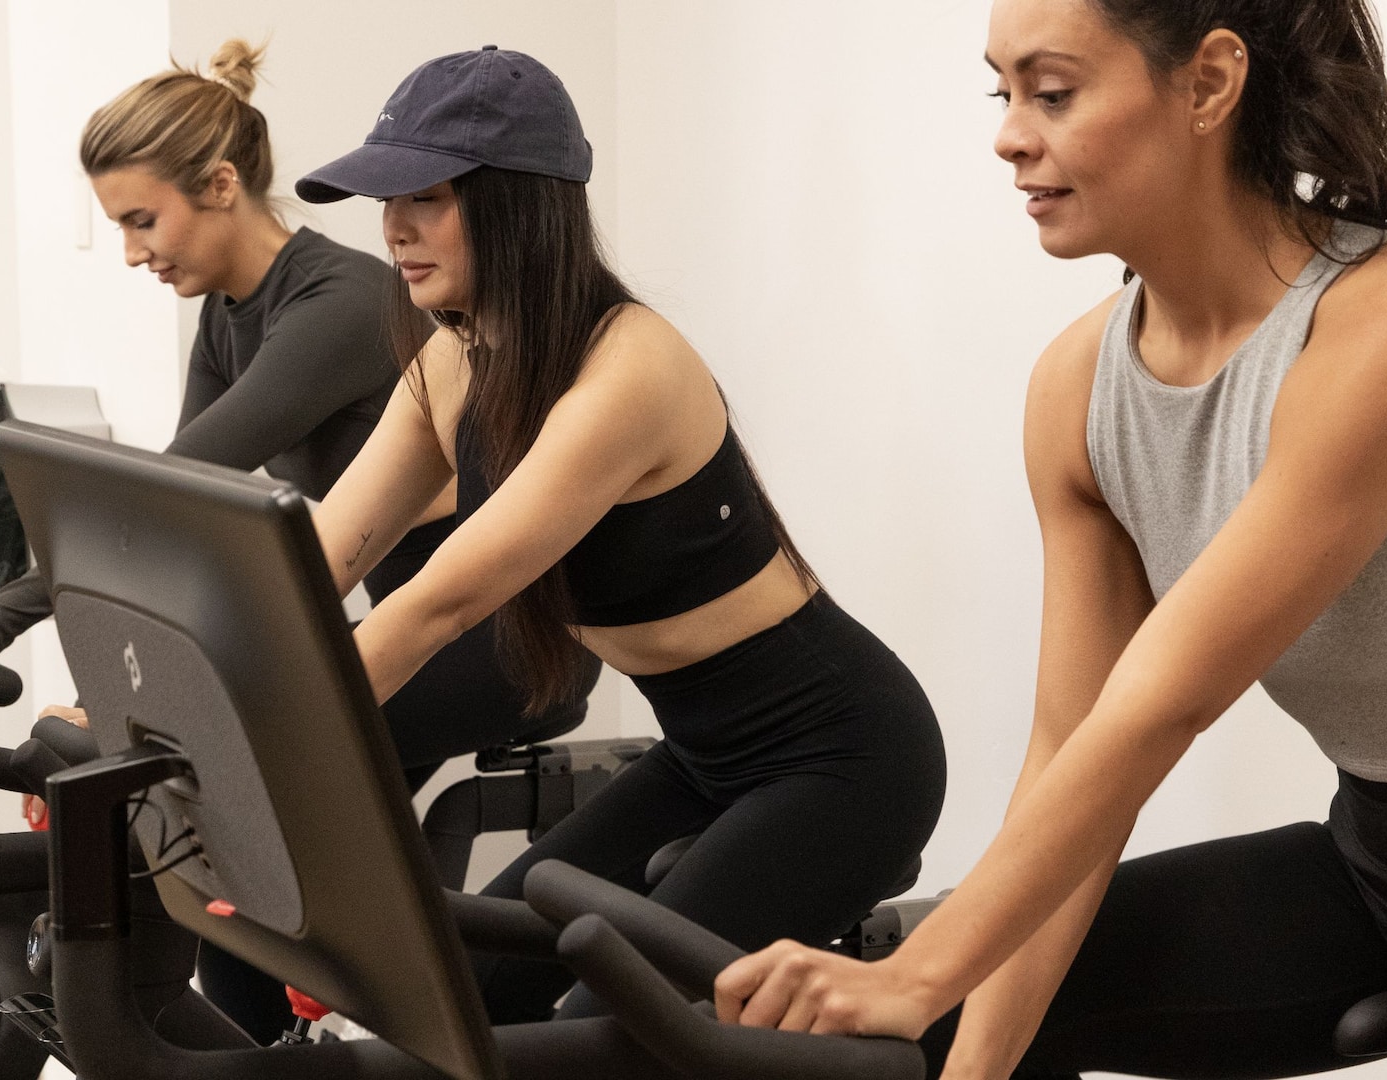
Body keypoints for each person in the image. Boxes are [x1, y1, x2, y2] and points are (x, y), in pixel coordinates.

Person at [714, 1, 1387, 1077]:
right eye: (1002, 92)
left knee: (931, 979)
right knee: (936, 1031)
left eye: (1052, 92)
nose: (1010, 134)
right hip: (1372, 863)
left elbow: (1165, 702)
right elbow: (1075, 742)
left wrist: (925, 971)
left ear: (1208, 84)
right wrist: (964, 1049)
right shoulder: (1078, 387)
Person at [0, 40, 596, 1040]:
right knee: (199, 820)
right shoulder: (231, 315)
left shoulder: (342, 303)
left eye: (142, 220)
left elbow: (166, 495)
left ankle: (288, 1047)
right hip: (404, 617)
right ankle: (263, 1049)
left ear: (219, 186)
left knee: (237, 810)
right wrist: (114, 682)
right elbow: (176, 530)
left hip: (496, 639)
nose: (134, 251)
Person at [295, 45, 947, 1024]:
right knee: (455, 996)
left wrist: (266, 747)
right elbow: (314, 558)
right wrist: (155, 705)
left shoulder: (627, 370)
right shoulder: (454, 363)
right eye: (386, 202)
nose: (393, 229)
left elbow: (441, 602)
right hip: (695, 758)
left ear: (518, 203)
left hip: (841, 758)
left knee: (602, 1035)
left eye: (425, 197)